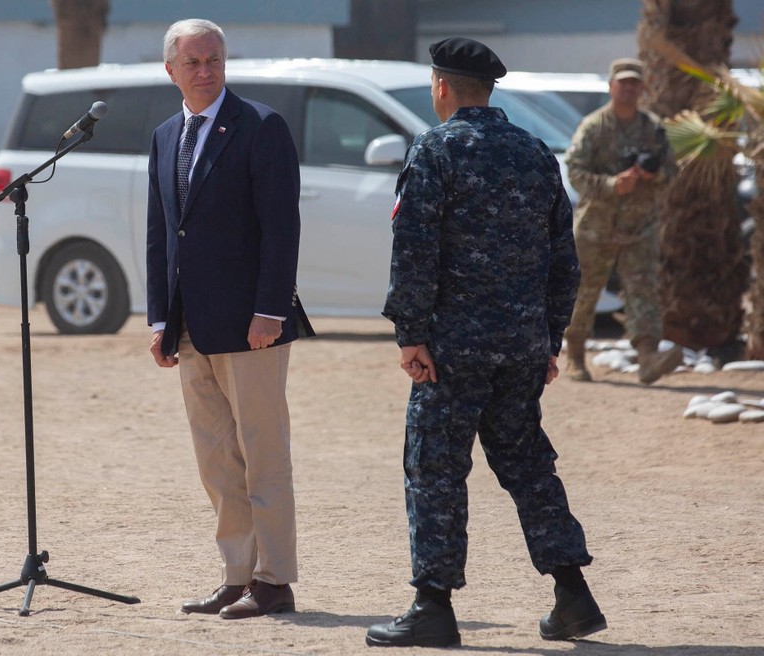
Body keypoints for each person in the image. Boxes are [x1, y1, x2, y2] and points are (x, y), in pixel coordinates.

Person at [367, 38, 605, 648]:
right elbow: (565, 261)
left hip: (452, 351)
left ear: (442, 87)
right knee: (528, 465)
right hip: (521, 348)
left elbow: (414, 250)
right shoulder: (534, 154)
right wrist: (548, 338)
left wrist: (411, 334)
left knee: (435, 470)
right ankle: (573, 595)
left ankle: (433, 606)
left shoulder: (435, 149)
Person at [145, 18, 313, 620]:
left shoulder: (261, 126)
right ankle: (236, 575)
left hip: (251, 326)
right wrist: (159, 319)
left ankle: (275, 581)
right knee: (217, 460)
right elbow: (161, 234)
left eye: (214, 59)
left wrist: (269, 310)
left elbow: (281, 226)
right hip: (191, 328)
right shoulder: (166, 135)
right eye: (192, 62)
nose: (206, 70)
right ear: (171, 70)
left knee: (263, 453)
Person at [564, 58, 682, 384]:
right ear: (611, 86)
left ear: (642, 88)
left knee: (643, 289)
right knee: (585, 292)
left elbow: (672, 172)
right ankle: (575, 354)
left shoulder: (653, 128)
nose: (629, 89)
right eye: (623, 83)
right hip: (595, 227)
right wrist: (610, 184)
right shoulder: (594, 126)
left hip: (640, 226)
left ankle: (648, 359)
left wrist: (653, 175)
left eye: (635, 83)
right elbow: (574, 171)